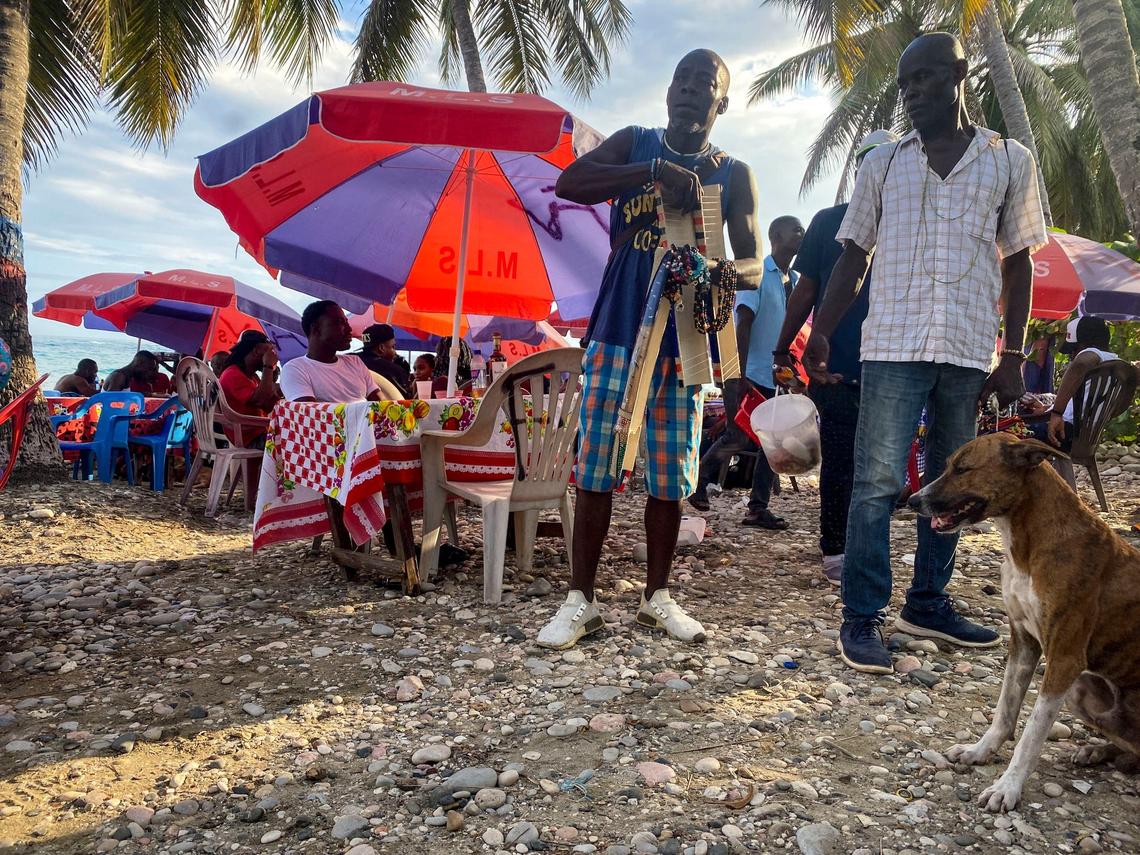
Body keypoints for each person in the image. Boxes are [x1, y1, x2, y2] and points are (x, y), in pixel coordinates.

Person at [801, 32, 1047, 674]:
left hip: (967, 348)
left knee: (955, 485)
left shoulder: (1009, 159)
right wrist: (822, 329)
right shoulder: (884, 164)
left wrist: (1014, 353)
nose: (910, 93)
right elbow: (854, 253)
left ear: (959, 76)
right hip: (892, 346)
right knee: (877, 482)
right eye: (904, 83)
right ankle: (861, 617)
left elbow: (1018, 262)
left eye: (924, 79)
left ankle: (928, 603)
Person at [538, 49, 765, 649]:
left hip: (686, 339)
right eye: (682, 79)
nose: (690, 90)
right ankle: (580, 600)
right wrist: (652, 173)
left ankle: (657, 597)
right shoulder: (635, 143)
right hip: (617, 325)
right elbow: (570, 182)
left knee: (670, 472)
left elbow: (754, 263)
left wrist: (720, 274)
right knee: (596, 465)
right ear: (667, 91)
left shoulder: (732, 172)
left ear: (721, 102)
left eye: (705, 84)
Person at [772, 130, 898, 585]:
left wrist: (785, 346)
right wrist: (784, 346)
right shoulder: (829, 222)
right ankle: (837, 547)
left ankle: (855, 546)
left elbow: (806, 291)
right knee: (851, 457)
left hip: (888, 362)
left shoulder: (906, 223)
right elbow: (805, 290)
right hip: (837, 364)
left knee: (872, 461)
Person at [688, 215, 802, 528]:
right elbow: (744, 320)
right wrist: (735, 373)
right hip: (751, 372)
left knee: (773, 443)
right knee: (738, 435)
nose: (801, 234)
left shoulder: (791, 278)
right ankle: (698, 482)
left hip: (775, 375)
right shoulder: (759, 275)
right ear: (776, 235)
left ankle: (757, 508)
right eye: (796, 229)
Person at [1040, 317, 1130, 451]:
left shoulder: (1093, 355)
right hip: (1085, 434)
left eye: (1074, 349)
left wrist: (1056, 413)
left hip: (1065, 431)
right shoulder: (1115, 364)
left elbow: (1081, 363)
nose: (1071, 355)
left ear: (1087, 345)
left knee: (1007, 430)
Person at [280, 301, 383, 403]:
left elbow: (382, 406)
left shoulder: (355, 362)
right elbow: (311, 415)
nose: (349, 329)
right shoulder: (295, 369)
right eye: (339, 322)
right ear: (316, 328)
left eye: (346, 322)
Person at [218, 331, 282, 446]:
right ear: (257, 350)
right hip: (248, 437)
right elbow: (260, 400)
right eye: (270, 351)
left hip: (258, 432)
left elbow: (267, 407)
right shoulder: (232, 374)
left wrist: (279, 390)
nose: (273, 355)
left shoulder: (252, 377)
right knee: (295, 443)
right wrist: (268, 366)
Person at [358, 323, 413, 398]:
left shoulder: (352, 363)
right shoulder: (394, 370)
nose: (395, 352)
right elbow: (405, 400)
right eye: (393, 347)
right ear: (381, 348)